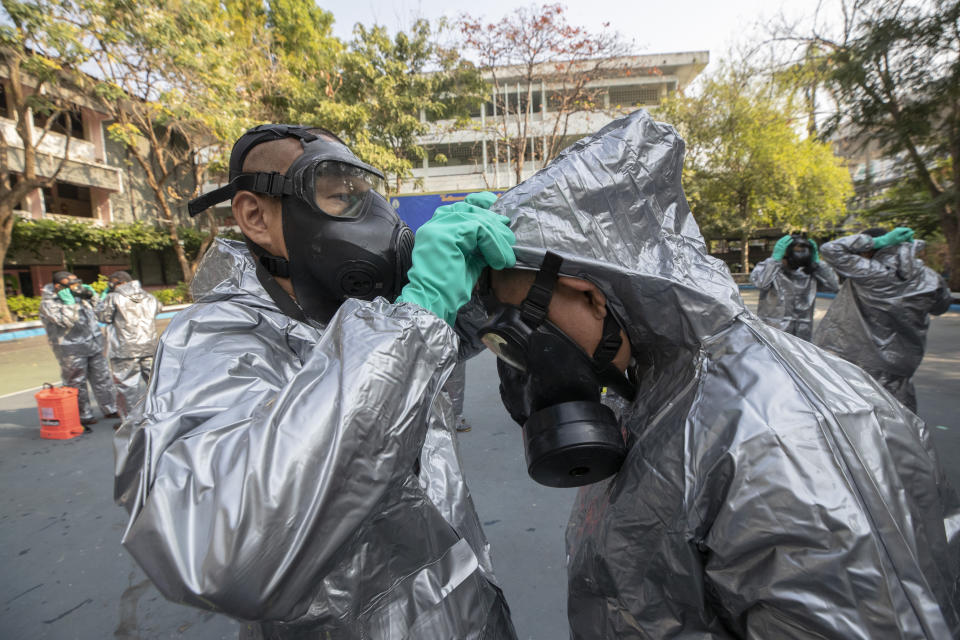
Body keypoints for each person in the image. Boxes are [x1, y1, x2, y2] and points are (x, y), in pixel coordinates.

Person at [478, 110, 960, 638]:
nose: (524, 349)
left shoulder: (785, 442)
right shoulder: (654, 386)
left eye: (526, 320)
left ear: (591, 293)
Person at [114, 124, 518, 639]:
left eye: (368, 195)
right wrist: (414, 322)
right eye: (340, 196)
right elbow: (227, 550)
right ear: (256, 216)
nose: (372, 218)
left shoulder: (370, 318)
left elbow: (475, 333)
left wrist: (483, 275)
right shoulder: (215, 339)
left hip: (463, 614)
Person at [814, 227, 953, 412]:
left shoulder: (870, 272)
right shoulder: (930, 278)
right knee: (897, 421)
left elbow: (830, 249)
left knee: (852, 422)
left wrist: (879, 242)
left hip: (853, 362)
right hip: (901, 366)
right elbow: (940, 306)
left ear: (868, 249)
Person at [39, 271, 119, 429]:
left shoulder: (80, 297)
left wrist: (94, 296)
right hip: (70, 348)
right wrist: (70, 304)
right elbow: (66, 322)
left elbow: (100, 313)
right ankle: (84, 415)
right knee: (76, 382)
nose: (76, 287)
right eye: (71, 284)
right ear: (58, 286)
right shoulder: (49, 303)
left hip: (94, 344)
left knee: (102, 378)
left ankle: (110, 408)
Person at [96, 270, 161, 418]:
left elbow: (103, 316)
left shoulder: (113, 298)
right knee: (156, 382)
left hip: (124, 349)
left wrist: (101, 300)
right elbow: (158, 309)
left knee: (127, 386)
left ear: (119, 282)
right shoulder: (148, 296)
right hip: (149, 345)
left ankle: (130, 422)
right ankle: (160, 414)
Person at [749, 233, 838, 340]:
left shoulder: (809, 273)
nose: (799, 256)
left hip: (802, 335)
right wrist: (774, 260)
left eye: (802, 252)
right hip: (773, 335)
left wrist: (817, 263)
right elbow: (759, 282)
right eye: (796, 252)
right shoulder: (773, 271)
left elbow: (833, 285)